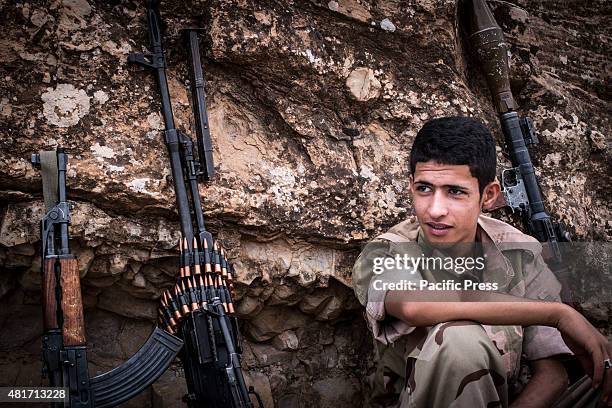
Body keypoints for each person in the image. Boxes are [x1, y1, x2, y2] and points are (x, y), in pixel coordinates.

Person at [352, 116, 611, 407]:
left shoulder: (517, 250)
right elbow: (414, 306)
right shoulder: (388, 252)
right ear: (411, 186)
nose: (435, 210)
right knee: (459, 341)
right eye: (424, 188)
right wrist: (559, 314)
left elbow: (552, 374)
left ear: (488, 195)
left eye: (455, 192)